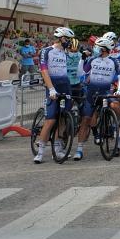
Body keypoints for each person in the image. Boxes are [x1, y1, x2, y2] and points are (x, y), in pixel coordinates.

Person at [74, 37, 120, 159]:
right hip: (92, 93)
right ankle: (79, 149)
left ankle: (118, 132)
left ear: (103, 49)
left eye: (96, 46)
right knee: (86, 119)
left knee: (115, 106)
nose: (94, 48)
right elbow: (81, 73)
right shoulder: (92, 59)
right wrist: (82, 59)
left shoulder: (114, 61)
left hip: (106, 92)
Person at [34, 27, 76, 164]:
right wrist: (51, 88)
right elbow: (44, 71)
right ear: (61, 38)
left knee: (63, 117)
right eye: (68, 39)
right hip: (52, 85)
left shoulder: (66, 52)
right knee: (51, 120)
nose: (70, 42)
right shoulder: (46, 51)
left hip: (65, 85)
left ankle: (57, 148)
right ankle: (40, 150)